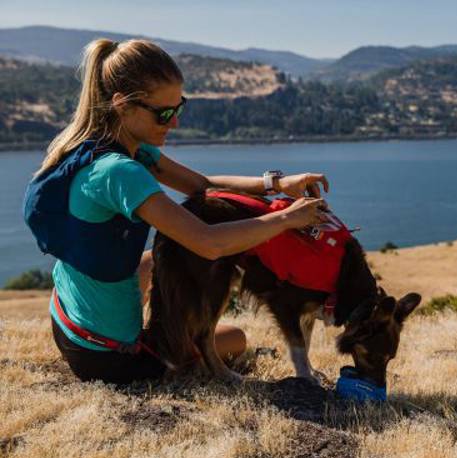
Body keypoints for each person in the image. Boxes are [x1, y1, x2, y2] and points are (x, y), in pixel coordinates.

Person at [29, 38, 330, 385]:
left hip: (67, 322)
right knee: (236, 338)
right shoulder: (120, 172)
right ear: (122, 105)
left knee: (155, 259)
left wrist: (276, 184)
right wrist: (288, 218)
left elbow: (202, 185)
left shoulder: (98, 145)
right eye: (164, 113)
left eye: (178, 108)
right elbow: (209, 242)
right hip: (108, 357)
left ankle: (138, 323)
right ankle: (159, 347)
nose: (173, 123)